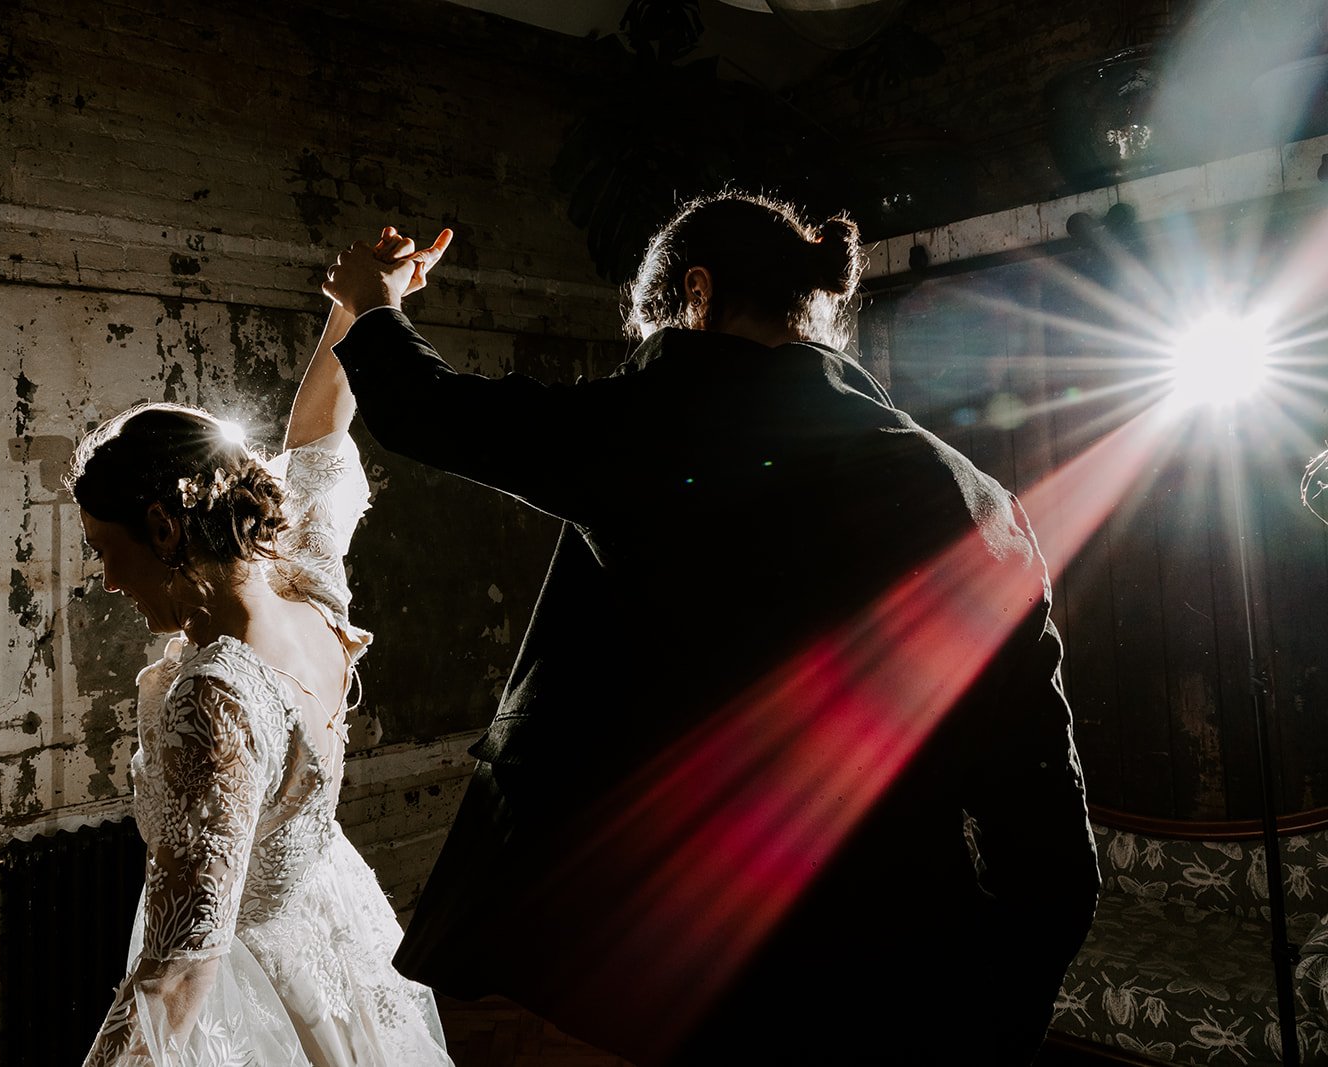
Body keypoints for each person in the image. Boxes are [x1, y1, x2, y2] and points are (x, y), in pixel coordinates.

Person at [321, 193, 1100, 1065]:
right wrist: (988, 1028)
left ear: (697, 293)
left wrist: (375, 301)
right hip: (901, 972)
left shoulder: (657, 430)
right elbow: (1048, 845)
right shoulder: (973, 493)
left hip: (693, 961)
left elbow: (433, 409)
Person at [70, 229, 454, 1067]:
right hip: (331, 923)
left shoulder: (216, 697)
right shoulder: (302, 576)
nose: (104, 581)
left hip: (256, 990)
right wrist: (354, 307)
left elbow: (181, 968)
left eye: (106, 550)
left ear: (164, 527)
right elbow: (318, 432)